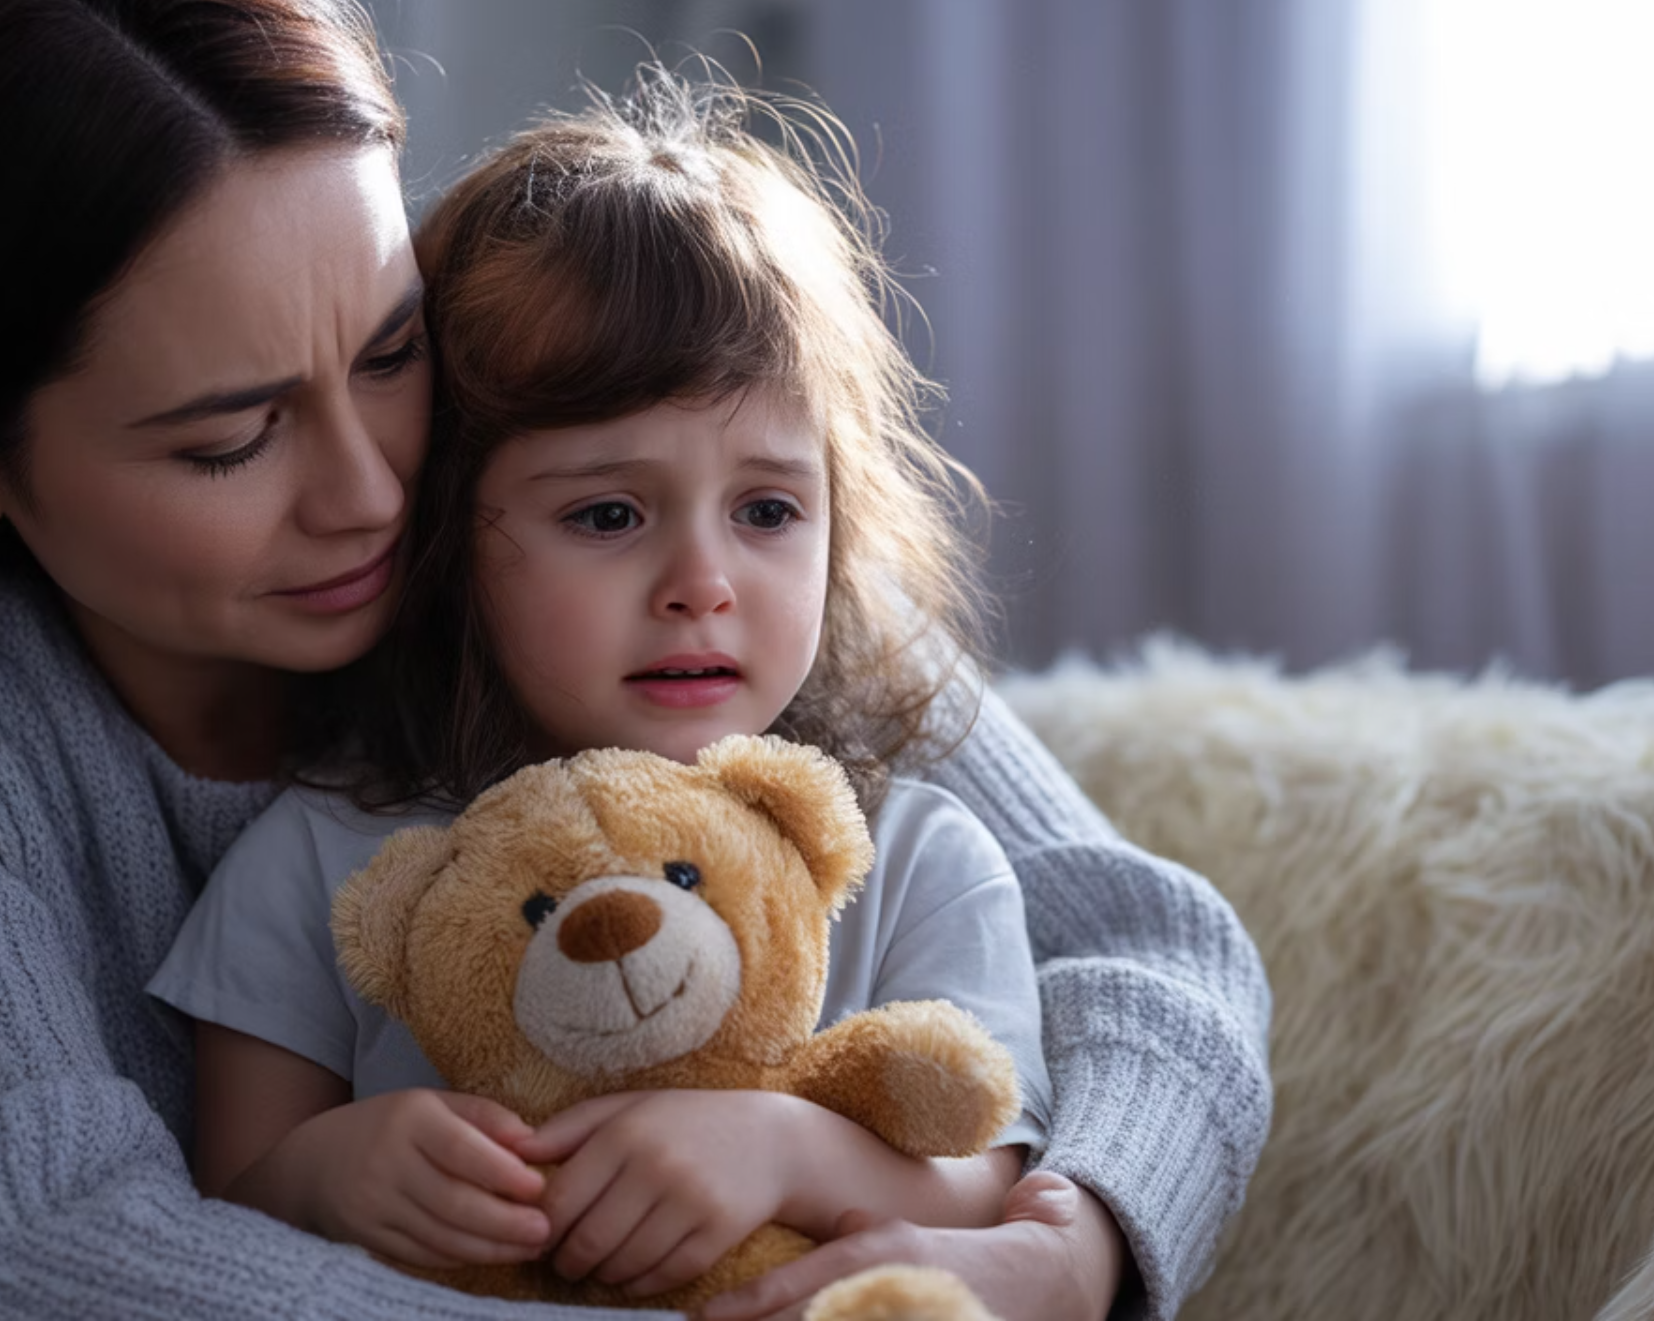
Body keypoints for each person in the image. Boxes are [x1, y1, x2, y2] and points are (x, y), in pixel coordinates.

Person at [0, 0, 1272, 1317]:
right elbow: (5, 1250)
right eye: (233, 439)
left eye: (388, 353)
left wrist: (1061, 1251)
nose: (380, 494)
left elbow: (1149, 951)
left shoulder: (649, 540)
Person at [147, 72, 1054, 1305]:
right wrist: (324, 1177)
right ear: (447, 533)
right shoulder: (323, 860)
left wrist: (785, 1148)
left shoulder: (911, 857)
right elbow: (203, 1211)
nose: (703, 582)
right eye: (609, 513)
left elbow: (986, 1189)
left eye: (770, 510)